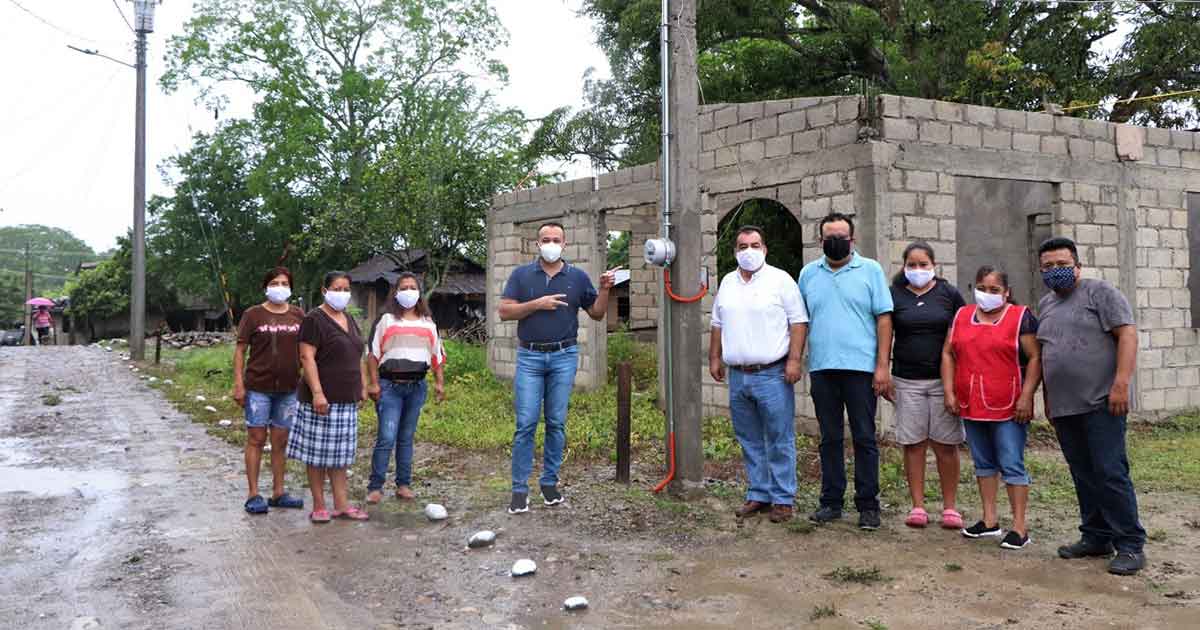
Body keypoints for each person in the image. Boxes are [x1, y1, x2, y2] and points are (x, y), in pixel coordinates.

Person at [1037, 237, 1146, 575]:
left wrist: (1121, 384)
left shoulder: (1101, 293)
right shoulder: (1046, 305)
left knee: (1110, 471)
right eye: (1049, 267)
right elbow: (1047, 355)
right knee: (1083, 473)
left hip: (1102, 402)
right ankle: (1096, 536)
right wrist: (1049, 403)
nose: (1056, 271)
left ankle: (1129, 543)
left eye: (1062, 265)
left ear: (1078, 266)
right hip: (1065, 408)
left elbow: (1127, 335)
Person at [498, 221, 616, 514]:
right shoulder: (522, 275)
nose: (551, 243)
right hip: (530, 358)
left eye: (556, 239)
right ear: (537, 244)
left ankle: (549, 484)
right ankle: (519, 490)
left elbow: (598, 314)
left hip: (564, 357)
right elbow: (504, 311)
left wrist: (603, 289)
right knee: (525, 423)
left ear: (565, 244)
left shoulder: (576, 277)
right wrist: (536, 304)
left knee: (556, 422)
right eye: (545, 239)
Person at [798, 212, 893, 530]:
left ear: (853, 240)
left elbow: (884, 319)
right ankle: (831, 502)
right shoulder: (808, 274)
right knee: (829, 438)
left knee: (865, 437)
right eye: (830, 237)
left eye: (842, 236)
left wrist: (882, 366)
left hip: (862, 370)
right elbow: (801, 321)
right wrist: (795, 360)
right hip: (823, 369)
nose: (836, 241)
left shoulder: (871, 270)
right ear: (820, 239)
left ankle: (868, 505)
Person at [709, 226, 809, 523]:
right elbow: (717, 323)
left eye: (754, 245)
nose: (748, 251)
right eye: (742, 246)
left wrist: (794, 360)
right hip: (738, 375)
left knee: (779, 437)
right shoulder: (727, 282)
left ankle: (783, 498)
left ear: (764, 249)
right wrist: (715, 357)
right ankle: (759, 493)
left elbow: (799, 321)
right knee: (749, 437)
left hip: (772, 373)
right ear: (734, 251)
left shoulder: (780, 280)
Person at [942, 265, 1041, 550]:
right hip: (970, 402)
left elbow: (1035, 358)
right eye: (982, 288)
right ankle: (989, 521)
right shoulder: (961, 315)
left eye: (994, 290)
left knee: (1011, 463)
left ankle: (1019, 528)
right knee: (983, 463)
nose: (987, 294)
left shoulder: (1020, 317)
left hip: (1009, 404)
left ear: (1006, 293)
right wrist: (949, 391)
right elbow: (948, 353)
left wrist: (1027, 396)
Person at [888, 242, 966, 530]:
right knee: (914, 444)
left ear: (934, 265)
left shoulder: (949, 294)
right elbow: (884, 333)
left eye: (923, 264)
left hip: (943, 381)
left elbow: (962, 335)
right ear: (904, 267)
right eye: (912, 265)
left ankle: (950, 507)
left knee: (947, 445)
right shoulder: (894, 294)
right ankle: (918, 506)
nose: (917, 270)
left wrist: (958, 382)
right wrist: (882, 369)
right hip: (906, 380)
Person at [286, 271, 369, 523]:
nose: (341, 293)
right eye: (336, 288)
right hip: (321, 400)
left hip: (347, 398)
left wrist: (363, 386)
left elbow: (358, 356)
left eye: (346, 289)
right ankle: (320, 505)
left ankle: (342, 505)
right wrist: (318, 393)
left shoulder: (349, 319)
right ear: (324, 291)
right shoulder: (314, 319)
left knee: (340, 456)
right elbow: (306, 357)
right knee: (317, 455)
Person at [365, 272, 446, 504]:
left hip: (417, 386)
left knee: (406, 437)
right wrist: (372, 383)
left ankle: (403, 484)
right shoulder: (386, 320)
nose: (408, 291)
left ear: (419, 293)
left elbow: (437, 356)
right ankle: (375, 486)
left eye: (413, 287)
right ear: (396, 292)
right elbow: (372, 354)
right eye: (404, 287)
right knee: (387, 436)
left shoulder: (428, 323)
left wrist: (439, 382)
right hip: (389, 386)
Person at [232, 267, 306, 514]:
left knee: (280, 442)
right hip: (258, 389)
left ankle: (278, 492)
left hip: (289, 389)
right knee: (256, 439)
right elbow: (240, 351)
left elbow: (307, 351)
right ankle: (253, 494)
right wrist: (239, 384)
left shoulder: (298, 315)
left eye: (285, 283)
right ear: (266, 286)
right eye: (275, 282)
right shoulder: (253, 315)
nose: (280, 287)